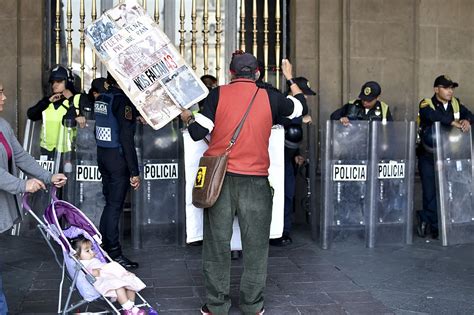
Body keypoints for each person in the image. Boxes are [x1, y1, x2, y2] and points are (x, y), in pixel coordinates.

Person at [180, 51, 308, 315]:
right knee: (256, 247)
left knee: (217, 245)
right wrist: (289, 77)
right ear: (258, 73)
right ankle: (252, 305)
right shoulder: (272, 98)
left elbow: (196, 133)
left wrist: (188, 117)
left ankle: (217, 305)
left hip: (220, 182)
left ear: (231, 73)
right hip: (256, 183)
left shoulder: (218, 95)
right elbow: (301, 106)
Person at [0, 82, 67, 314]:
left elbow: (21, 156)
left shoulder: (2, 125)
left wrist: (48, 177)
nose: (4, 97)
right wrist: (22, 185)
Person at [416, 75, 474, 239]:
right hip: (429, 155)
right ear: (436, 89)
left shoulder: (456, 103)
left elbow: (470, 115)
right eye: (446, 88)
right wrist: (452, 122)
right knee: (430, 192)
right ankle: (433, 226)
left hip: (449, 154)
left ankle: (450, 222)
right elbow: (431, 116)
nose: (450, 91)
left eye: (452, 88)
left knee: (452, 189)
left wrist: (467, 121)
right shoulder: (426, 103)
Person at [94, 73, 141, 269]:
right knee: (115, 206)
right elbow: (125, 137)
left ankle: (104, 245)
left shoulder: (103, 98)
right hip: (117, 158)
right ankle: (114, 252)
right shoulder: (123, 101)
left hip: (103, 154)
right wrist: (134, 171)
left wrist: (135, 117)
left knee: (109, 203)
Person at [270, 77, 315, 247]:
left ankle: (283, 231)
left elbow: (292, 137)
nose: (307, 98)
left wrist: (297, 153)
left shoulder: (298, 109)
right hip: (271, 160)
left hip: (287, 159)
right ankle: (272, 231)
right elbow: (276, 126)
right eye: (304, 94)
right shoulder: (281, 103)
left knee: (288, 194)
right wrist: (297, 120)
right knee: (274, 195)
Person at [70, 236, 146, 314]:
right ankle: (128, 308)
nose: (92, 252)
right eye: (87, 251)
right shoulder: (83, 264)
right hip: (103, 279)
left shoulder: (93, 258)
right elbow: (88, 273)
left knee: (130, 283)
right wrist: (94, 271)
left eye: (92, 249)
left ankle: (131, 307)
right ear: (77, 255)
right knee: (118, 285)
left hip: (110, 274)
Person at [27, 65, 88, 157]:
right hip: (47, 151)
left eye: (59, 81)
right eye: (53, 82)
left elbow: (86, 122)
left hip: (69, 153)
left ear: (68, 82)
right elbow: (31, 115)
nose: (54, 85)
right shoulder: (48, 101)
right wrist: (47, 101)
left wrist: (71, 99)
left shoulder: (78, 99)